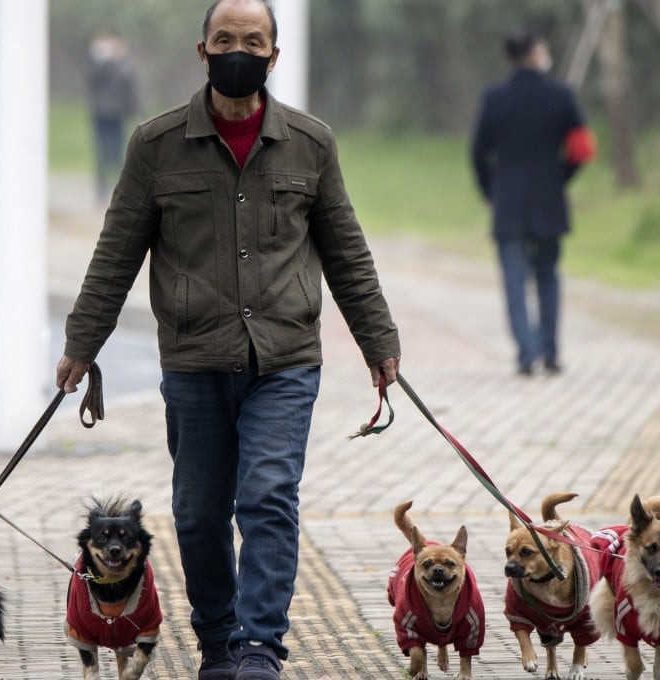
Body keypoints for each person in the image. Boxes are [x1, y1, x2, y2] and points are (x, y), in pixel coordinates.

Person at [55, 1, 401, 678]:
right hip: (194, 358)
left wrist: (378, 342)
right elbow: (116, 251)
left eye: (252, 41)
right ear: (202, 51)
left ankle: (258, 646)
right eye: (224, 40)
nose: (236, 50)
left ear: (273, 56)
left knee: (268, 494)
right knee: (197, 512)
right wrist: (81, 343)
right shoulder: (156, 145)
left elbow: (346, 251)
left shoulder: (311, 142)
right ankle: (217, 639)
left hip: (286, 357)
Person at [471, 29, 595, 376]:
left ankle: (526, 354)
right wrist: (560, 178)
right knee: (548, 277)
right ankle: (551, 352)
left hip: (507, 204)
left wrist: (490, 192)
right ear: (537, 53)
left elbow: (478, 153)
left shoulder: (494, 97)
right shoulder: (561, 94)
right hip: (549, 203)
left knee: (514, 280)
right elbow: (583, 149)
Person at [87, 28, 140, 203]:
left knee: (118, 153)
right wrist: (107, 60)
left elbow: (129, 87)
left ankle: (118, 189)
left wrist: (135, 109)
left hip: (117, 114)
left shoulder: (124, 65)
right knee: (102, 152)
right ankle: (101, 189)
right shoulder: (98, 64)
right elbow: (94, 80)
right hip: (101, 113)